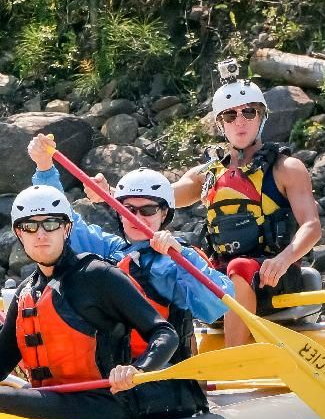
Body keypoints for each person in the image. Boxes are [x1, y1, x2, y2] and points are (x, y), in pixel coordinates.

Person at [0, 186, 208, 419]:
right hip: (57, 400)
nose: (41, 234)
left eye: (51, 224)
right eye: (30, 226)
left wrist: (138, 369)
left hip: (106, 404)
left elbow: (163, 333)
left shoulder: (98, 276)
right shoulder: (26, 291)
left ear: (67, 229)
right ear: (19, 234)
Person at [26, 133, 231, 362]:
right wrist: (45, 168)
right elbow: (62, 220)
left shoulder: (172, 261)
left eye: (148, 210)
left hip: (159, 372)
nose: (137, 218)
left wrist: (183, 256)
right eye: (129, 210)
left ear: (164, 213)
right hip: (112, 371)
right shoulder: (110, 250)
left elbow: (216, 306)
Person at [173, 74, 321, 347]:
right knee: (172, 265)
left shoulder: (286, 168)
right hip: (223, 274)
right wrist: (112, 193)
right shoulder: (208, 173)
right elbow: (160, 198)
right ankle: (178, 355)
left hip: (273, 274)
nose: (240, 121)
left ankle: (235, 358)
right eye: (230, 116)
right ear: (221, 123)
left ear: (261, 116)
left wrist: (284, 259)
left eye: (248, 112)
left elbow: (311, 226)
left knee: (239, 267)